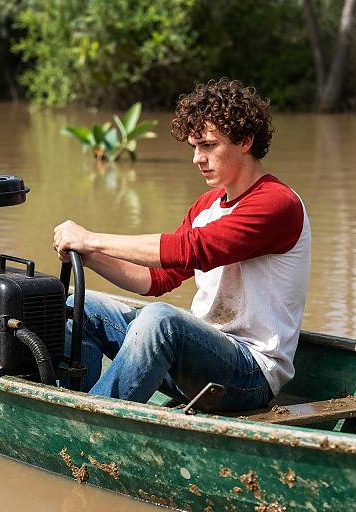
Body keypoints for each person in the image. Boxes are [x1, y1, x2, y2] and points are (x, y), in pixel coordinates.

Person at [53, 78, 311, 412]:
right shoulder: (206, 206)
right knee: (80, 306)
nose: (197, 159)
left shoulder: (277, 204)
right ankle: (72, 402)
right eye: (194, 147)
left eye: (208, 146)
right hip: (197, 359)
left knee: (161, 322)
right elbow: (157, 280)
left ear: (246, 141)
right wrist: (89, 255)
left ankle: (89, 421)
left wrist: (92, 238)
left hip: (250, 375)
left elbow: (191, 249)